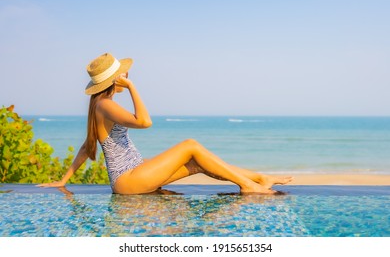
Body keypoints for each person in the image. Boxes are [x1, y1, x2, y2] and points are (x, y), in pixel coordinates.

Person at [38, 53, 292, 194]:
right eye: (124, 75)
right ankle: (249, 186)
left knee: (196, 163)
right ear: (116, 79)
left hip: (135, 173)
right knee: (190, 145)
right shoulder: (105, 104)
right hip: (128, 180)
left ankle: (260, 177)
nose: (128, 76)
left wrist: (64, 180)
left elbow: (86, 146)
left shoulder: (101, 105)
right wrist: (134, 87)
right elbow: (145, 122)